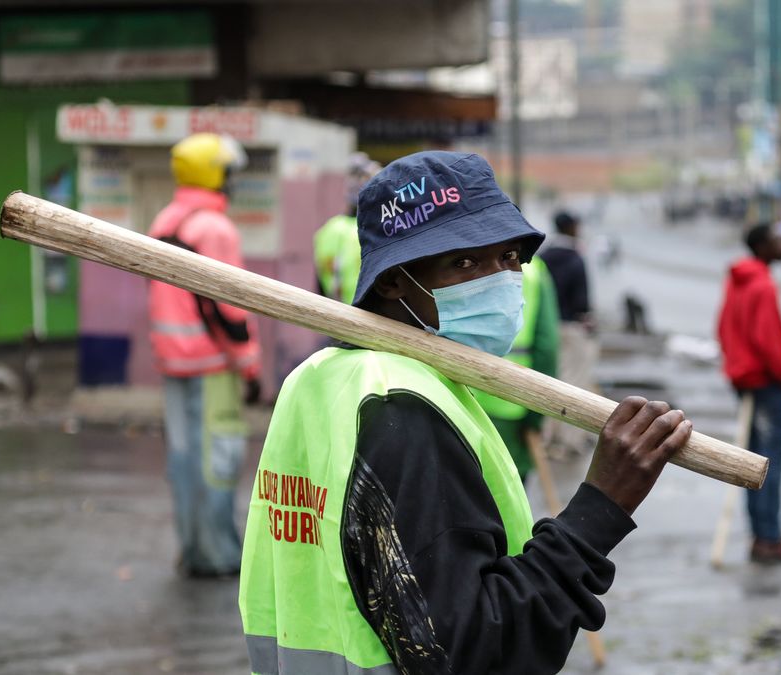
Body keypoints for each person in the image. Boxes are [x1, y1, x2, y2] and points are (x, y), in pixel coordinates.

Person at [238, 151, 693, 674]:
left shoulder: (318, 377)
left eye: (507, 259)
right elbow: (475, 652)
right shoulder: (401, 407)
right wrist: (600, 508)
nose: (498, 281)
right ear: (393, 281)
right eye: (464, 262)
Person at [148, 132, 262, 578]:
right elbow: (227, 307)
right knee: (218, 458)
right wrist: (249, 365)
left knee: (182, 458)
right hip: (212, 363)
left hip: (172, 360)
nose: (232, 182)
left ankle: (192, 548)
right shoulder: (213, 229)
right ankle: (216, 554)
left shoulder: (167, 220)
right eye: (229, 173)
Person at [716, 223, 781, 564]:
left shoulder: (739, 278)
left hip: (745, 380)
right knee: (769, 463)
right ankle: (769, 538)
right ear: (763, 246)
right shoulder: (763, 285)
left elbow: (723, 327)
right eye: (778, 240)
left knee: (753, 460)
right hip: (766, 384)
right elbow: (767, 342)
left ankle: (761, 534)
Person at [471, 257, 561, 482]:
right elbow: (546, 348)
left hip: (457, 395)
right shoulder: (533, 270)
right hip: (511, 404)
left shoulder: (458, 257)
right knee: (506, 494)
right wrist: (536, 417)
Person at [538, 210, 600, 500]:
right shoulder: (575, 257)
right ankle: (569, 441)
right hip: (572, 329)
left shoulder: (544, 256)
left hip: (549, 326)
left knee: (553, 381)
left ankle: (548, 438)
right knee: (574, 385)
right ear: (573, 226)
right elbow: (583, 301)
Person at [314, 154, 381, 304]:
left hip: (333, 313)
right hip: (366, 313)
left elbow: (320, 281)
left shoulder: (328, 229)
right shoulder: (373, 230)